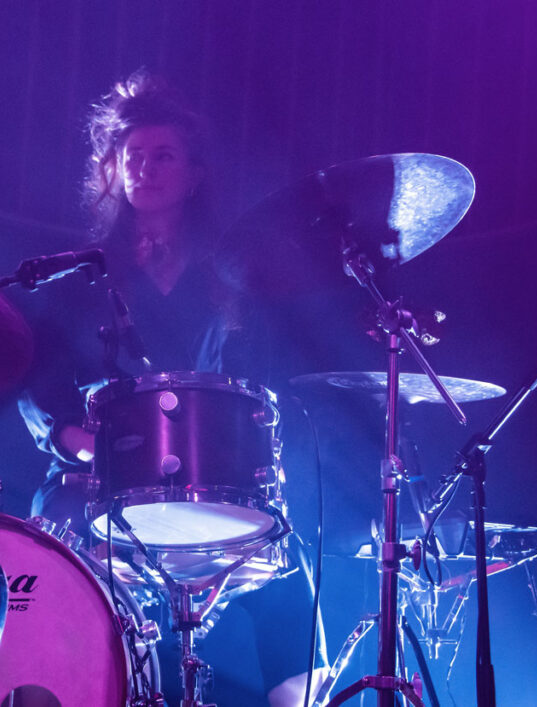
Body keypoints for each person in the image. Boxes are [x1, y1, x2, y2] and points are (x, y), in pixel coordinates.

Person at [18, 70, 327, 706]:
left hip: (210, 484)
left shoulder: (232, 273)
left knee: (289, 585)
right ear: (114, 171)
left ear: (194, 175)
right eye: (134, 156)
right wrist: (88, 447)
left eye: (164, 156)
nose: (145, 168)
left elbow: (258, 390)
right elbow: (36, 387)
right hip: (94, 482)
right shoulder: (82, 273)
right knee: (46, 573)